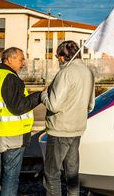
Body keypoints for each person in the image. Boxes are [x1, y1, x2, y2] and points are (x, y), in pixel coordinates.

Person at [0, 47, 41, 196]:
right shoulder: (11, 78)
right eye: (21, 59)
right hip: (12, 136)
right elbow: (18, 107)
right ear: (9, 59)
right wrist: (38, 96)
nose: (23, 63)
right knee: (10, 177)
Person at [41, 40, 95, 196]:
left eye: (58, 56)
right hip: (77, 129)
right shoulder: (88, 71)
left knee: (52, 174)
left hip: (59, 130)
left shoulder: (65, 73)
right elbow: (91, 105)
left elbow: (54, 105)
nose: (58, 60)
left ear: (63, 57)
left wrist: (44, 94)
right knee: (72, 174)